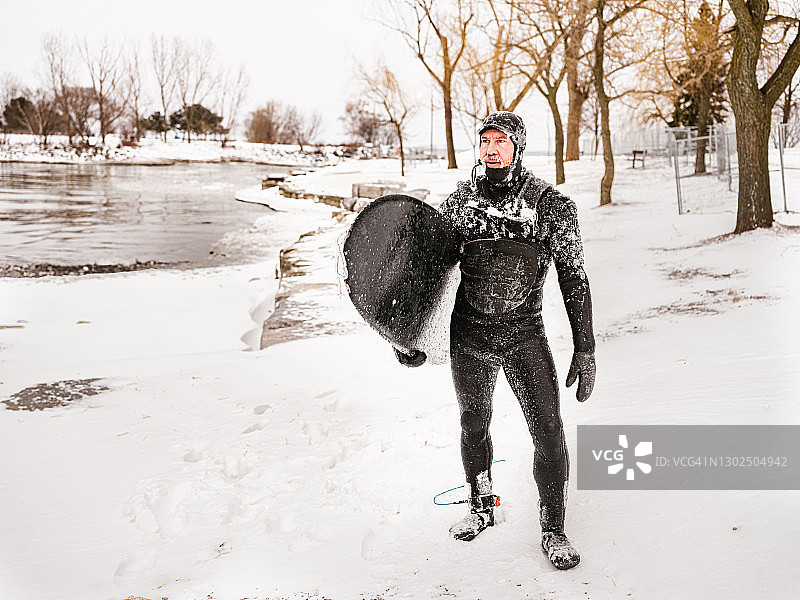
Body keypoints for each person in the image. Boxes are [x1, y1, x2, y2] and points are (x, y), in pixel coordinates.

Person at [395, 111, 596, 570]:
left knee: (548, 430)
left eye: (501, 140)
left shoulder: (550, 206)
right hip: (470, 333)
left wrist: (585, 347)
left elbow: (574, 278)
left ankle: (554, 528)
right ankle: (482, 505)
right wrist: (407, 334)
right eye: (485, 140)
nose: (491, 148)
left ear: (518, 147)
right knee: (473, 423)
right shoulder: (461, 204)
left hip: (525, 332)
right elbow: (428, 271)